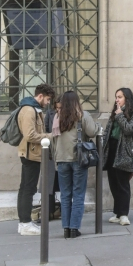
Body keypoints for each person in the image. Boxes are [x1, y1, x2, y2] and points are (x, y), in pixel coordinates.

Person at [52, 91, 98, 238]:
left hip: (62, 159)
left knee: (65, 195)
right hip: (78, 159)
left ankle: (66, 228)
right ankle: (74, 228)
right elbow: (92, 132)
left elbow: (53, 140)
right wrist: (97, 126)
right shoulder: (82, 115)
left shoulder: (57, 117)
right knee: (78, 194)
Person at [17, 83, 54, 236]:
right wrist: (50, 136)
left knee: (27, 188)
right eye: (47, 99)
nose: (48, 102)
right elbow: (30, 135)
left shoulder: (34, 109)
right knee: (28, 188)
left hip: (33, 154)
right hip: (30, 154)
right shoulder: (29, 110)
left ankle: (24, 222)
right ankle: (25, 223)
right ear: (40, 96)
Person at [103, 88, 133, 226]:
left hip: (124, 151)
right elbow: (109, 130)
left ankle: (124, 214)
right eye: (116, 97)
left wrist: (120, 115)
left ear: (127, 98)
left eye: (119, 97)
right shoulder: (115, 112)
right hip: (112, 149)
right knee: (113, 183)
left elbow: (128, 129)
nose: (117, 99)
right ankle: (118, 213)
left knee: (123, 184)